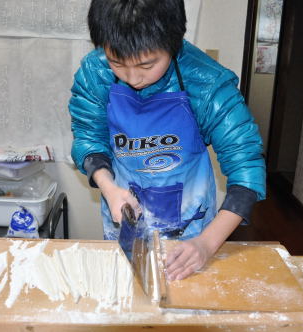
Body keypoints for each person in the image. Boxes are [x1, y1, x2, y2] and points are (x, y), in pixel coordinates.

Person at [69, 0, 266, 281]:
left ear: (173, 44)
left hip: (191, 235)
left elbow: (246, 171)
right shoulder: (95, 72)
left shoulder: (207, 83)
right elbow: (89, 136)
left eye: (146, 65)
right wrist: (109, 188)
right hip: (125, 216)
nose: (133, 77)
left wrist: (206, 244)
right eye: (117, 63)